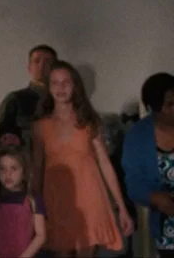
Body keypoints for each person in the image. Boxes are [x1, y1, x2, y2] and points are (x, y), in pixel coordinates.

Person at [32, 60, 133, 256]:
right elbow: (37, 168)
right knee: (61, 249)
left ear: (75, 86)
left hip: (89, 194)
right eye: (55, 83)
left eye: (66, 82)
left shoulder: (88, 121)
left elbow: (105, 163)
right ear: (48, 88)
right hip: (56, 197)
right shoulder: (40, 126)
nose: (60, 88)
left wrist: (121, 207)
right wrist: (34, 206)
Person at [122, 72, 174, 257]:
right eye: (169, 104)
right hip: (167, 227)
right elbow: (133, 183)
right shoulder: (138, 136)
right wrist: (156, 198)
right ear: (153, 107)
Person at [0, 147, 47, 258]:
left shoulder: (33, 199)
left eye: (13, 168)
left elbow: (40, 235)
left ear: (24, 172)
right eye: (2, 169)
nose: (7, 174)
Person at [0, 45, 58, 149]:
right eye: (37, 61)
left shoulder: (62, 100)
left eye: (47, 62)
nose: (41, 66)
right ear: (29, 67)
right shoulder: (15, 99)